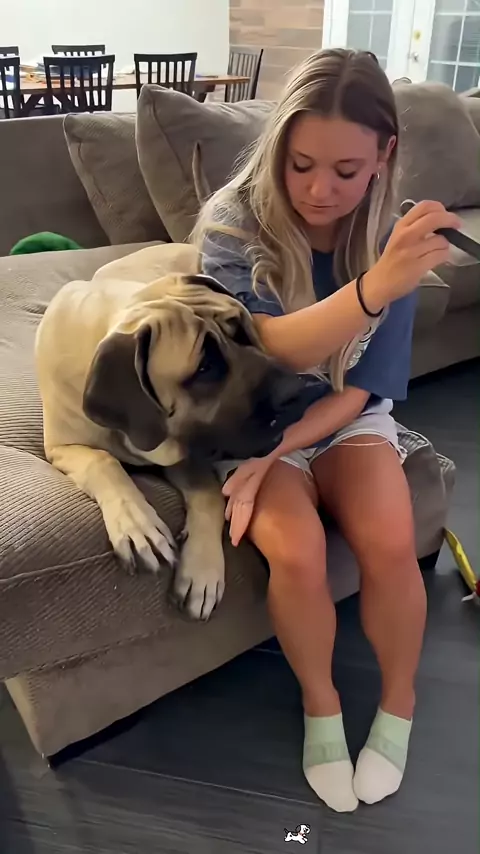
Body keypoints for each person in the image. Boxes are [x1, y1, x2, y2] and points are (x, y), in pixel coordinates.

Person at [192, 48, 460, 813]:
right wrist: (374, 291)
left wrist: (280, 449)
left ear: (384, 156)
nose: (318, 190)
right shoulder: (232, 222)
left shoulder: (392, 236)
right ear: (278, 144)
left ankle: (399, 702)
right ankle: (322, 704)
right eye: (300, 163)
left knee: (390, 539)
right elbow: (263, 350)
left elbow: (365, 388)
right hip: (253, 414)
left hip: (339, 415)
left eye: (346, 171)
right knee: (297, 552)